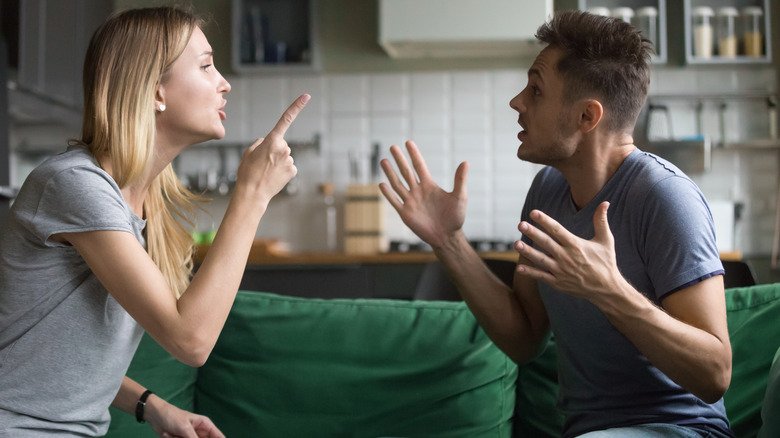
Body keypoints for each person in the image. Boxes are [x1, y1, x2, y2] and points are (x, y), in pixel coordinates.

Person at [380, 10, 734, 438]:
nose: (518, 102)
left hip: (679, 429)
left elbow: (715, 374)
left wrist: (611, 292)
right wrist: (448, 241)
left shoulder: (665, 198)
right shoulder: (547, 190)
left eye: (536, 90)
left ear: (587, 117)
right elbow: (525, 336)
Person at [0, 6, 309, 437]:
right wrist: (252, 193)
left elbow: (56, 354)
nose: (224, 83)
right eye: (205, 66)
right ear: (154, 91)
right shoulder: (74, 184)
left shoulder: (136, 202)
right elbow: (191, 342)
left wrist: (151, 405)